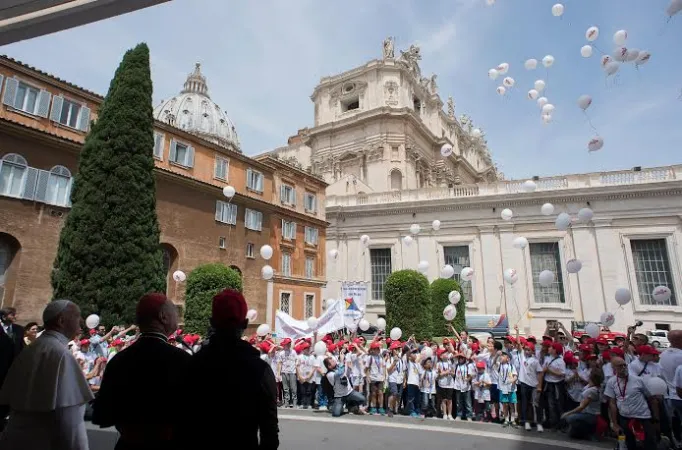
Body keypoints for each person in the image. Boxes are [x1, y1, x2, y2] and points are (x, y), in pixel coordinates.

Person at [178, 289, 279, 449]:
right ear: (245, 324)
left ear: (211, 322)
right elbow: (270, 434)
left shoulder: (193, 365)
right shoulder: (261, 368)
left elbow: (182, 424)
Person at [92, 292, 191, 450]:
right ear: (163, 316)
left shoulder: (119, 360)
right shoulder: (182, 360)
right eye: (175, 313)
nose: (178, 319)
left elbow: (102, 415)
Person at [0, 300, 93, 450]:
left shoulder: (32, 348)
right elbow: (71, 421)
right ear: (62, 321)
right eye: (77, 316)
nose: (81, 321)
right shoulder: (61, 354)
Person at [605, 356, 658, 450]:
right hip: (625, 418)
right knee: (629, 444)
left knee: (649, 444)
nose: (624, 368)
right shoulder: (611, 382)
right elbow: (612, 403)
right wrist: (615, 423)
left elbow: (652, 399)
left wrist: (656, 419)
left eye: (625, 365)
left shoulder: (638, 380)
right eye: (620, 366)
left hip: (643, 417)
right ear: (613, 368)